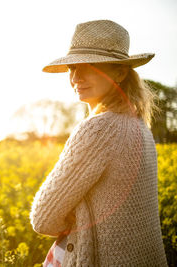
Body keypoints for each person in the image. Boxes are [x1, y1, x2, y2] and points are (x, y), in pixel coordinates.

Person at [29, 20, 167, 266]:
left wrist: (73, 213)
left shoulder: (99, 129)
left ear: (120, 72)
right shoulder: (140, 127)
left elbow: (43, 218)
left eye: (90, 65)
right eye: (72, 67)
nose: (75, 77)